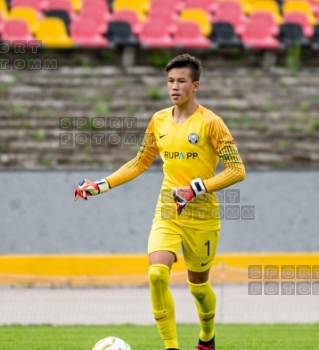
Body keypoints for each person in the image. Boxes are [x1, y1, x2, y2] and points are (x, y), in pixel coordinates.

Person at [73, 53, 246, 350]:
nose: (174, 87)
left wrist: (196, 189)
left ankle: (206, 337)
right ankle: (171, 347)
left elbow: (237, 170)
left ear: (196, 86)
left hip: (202, 216)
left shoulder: (212, 123)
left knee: (199, 288)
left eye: (181, 81)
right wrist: (100, 185)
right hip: (168, 209)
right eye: (170, 81)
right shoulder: (159, 120)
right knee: (156, 274)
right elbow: (140, 162)